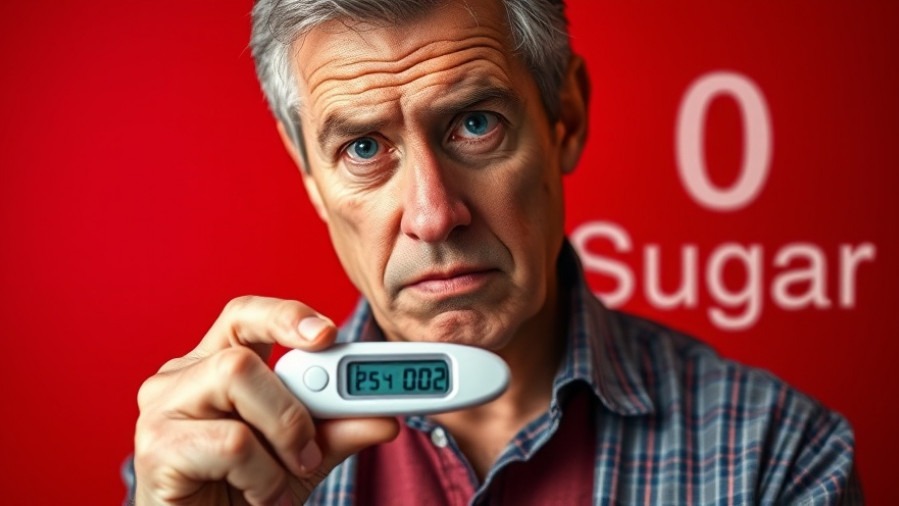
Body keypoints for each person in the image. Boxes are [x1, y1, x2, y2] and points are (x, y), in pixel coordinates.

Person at [129, 0, 862, 504]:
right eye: (362, 147)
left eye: (474, 123)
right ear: (309, 176)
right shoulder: (214, 461)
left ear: (563, 118)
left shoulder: (776, 455)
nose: (433, 215)